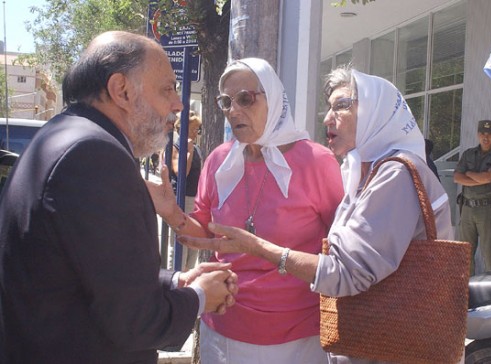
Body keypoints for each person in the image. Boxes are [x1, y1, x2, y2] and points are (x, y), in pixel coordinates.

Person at [170, 67, 454, 363]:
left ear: (375, 112)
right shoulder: (361, 171)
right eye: (226, 102)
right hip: (237, 327)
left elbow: (347, 271)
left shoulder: (393, 174)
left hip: (375, 341)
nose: (328, 118)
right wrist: (170, 211)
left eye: (342, 106)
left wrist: (258, 248)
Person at [0, 31, 238, 364]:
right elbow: (135, 320)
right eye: (167, 88)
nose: (178, 104)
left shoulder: (62, 135)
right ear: (121, 91)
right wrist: (199, 297)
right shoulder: (94, 154)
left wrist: (178, 280)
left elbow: (91, 274)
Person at [147, 58, 343, 363]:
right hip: (224, 323)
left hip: (298, 334)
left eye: (245, 98)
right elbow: (206, 233)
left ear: (274, 98)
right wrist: (172, 213)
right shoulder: (218, 160)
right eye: (226, 101)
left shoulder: (317, 162)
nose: (233, 110)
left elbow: (340, 250)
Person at [454, 120, 491, 275]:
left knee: (489, 256)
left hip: (487, 209)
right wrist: (479, 178)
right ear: (478, 134)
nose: (486, 137)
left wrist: (469, 174)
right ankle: (467, 293)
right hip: (467, 209)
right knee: (465, 255)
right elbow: (457, 177)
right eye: (482, 133)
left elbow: (490, 178)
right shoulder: (468, 154)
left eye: (489, 134)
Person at [168, 111, 203, 271]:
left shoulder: (197, 149)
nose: (196, 132)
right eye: (192, 129)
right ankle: (176, 278)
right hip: (181, 199)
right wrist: (188, 151)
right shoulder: (176, 147)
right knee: (180, 244)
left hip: (194, 200)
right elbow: (182, 172)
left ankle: (189, 277)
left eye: (197, 129)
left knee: (194, 244)